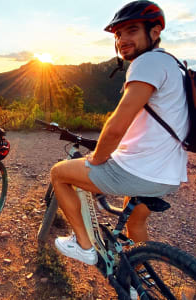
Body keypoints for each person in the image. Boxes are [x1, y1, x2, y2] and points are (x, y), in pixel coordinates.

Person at [51, 0, 188, 266]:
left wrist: (97, 159)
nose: (123, 39)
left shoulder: (147, 62)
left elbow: (116, 126)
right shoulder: (174, 65)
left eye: (132, 30)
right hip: (169, 174)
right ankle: (139, 281)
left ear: (155, 31)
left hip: (141, 170)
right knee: (134, 225)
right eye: (118, 34)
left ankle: (83, 246)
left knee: (59, 173)